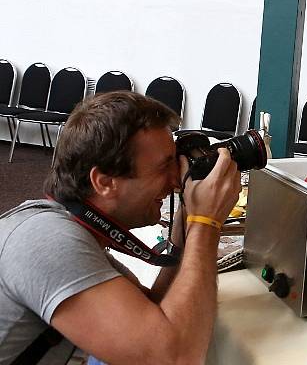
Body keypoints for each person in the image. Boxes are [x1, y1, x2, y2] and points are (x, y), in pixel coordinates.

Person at [0, 91, 242, 364]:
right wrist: (205, 224)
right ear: (104, 182)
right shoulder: (44, 240)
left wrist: (185, 228)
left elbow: (153, 313)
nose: (177, 180)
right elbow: (174, 357)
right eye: (165, 166)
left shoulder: (67, 229)